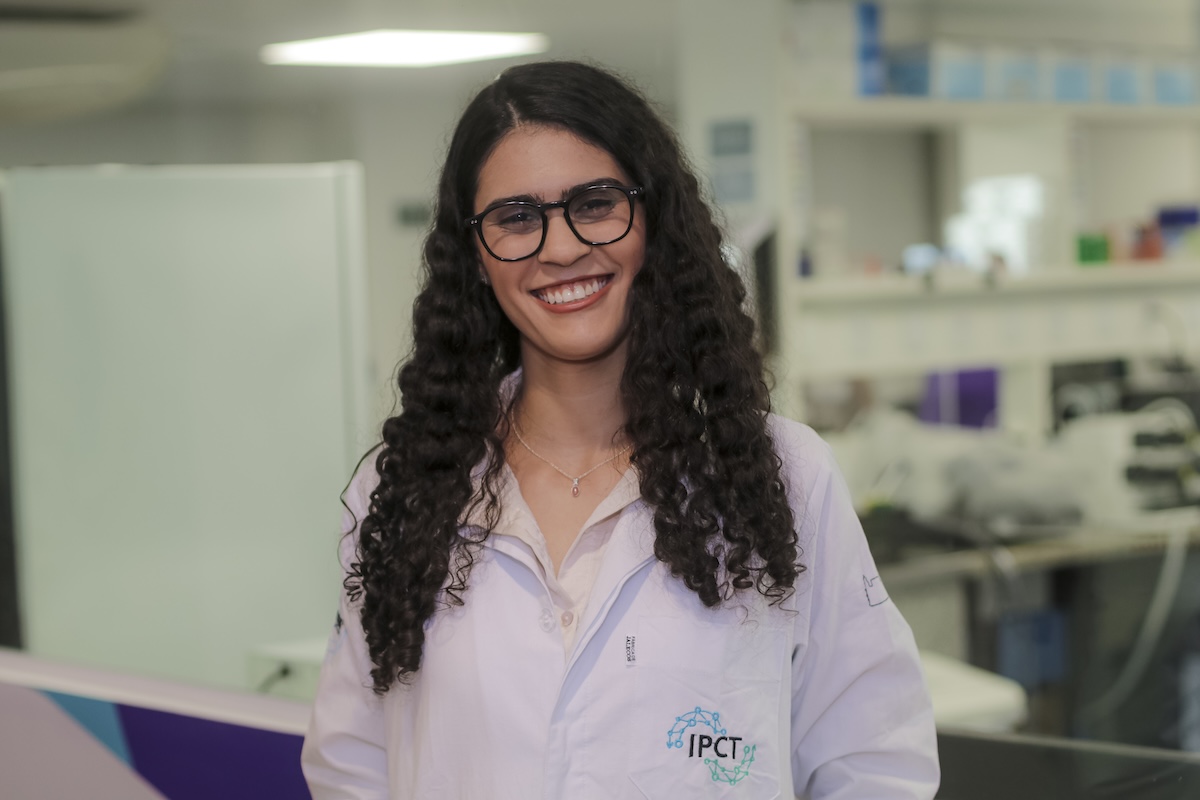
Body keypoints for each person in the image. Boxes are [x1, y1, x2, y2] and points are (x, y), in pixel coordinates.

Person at [301, 60, 939, 799]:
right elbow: (351, 762)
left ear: (652, 219)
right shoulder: (406, 488)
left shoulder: (784, 476)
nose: (561, 247)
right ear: (474, 256)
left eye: (595, 203)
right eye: (515, 217)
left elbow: (873, 758)